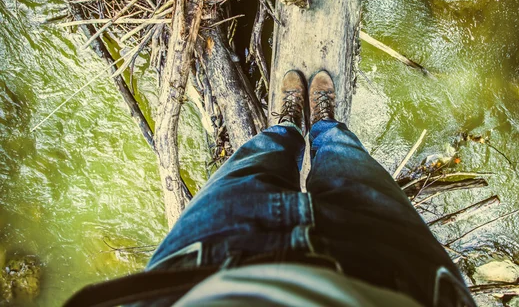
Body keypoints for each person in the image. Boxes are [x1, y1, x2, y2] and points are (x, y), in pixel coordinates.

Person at [65, 70, 476, 307]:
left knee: (260, 155)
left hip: (202, 264)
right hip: (396, 271)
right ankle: (322, 123)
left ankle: (289, 123)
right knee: (344, 156)